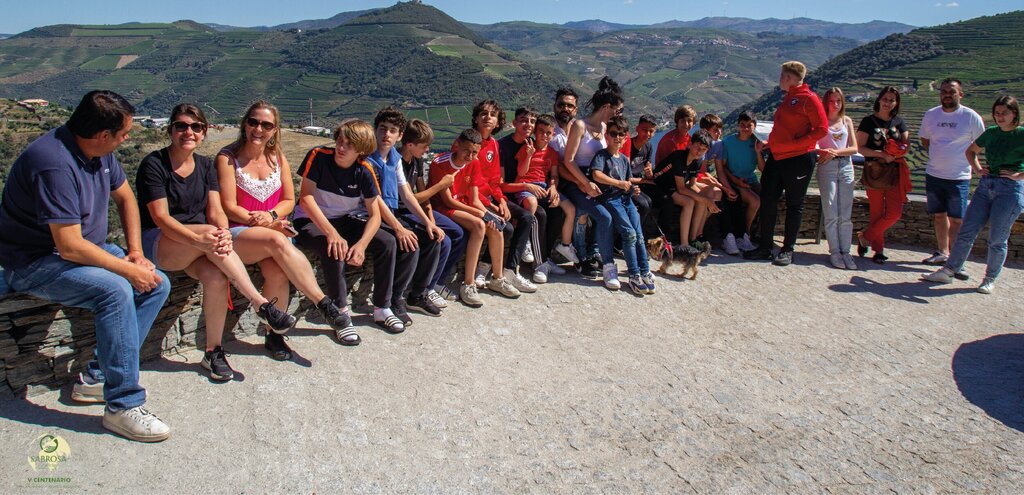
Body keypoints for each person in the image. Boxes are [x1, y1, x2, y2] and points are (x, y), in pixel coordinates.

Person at [0, 90, 172, 442]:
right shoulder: (53, 163)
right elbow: (68, 245)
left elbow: (126, 197)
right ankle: (122, 404)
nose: (127, 139)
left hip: (86, 248)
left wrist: (136, 253)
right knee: (115, 290)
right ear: (103, 135)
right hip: (34, 261)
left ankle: (97, 378)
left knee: (157, 283)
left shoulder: (99, 152)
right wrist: (126, 270)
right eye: (123, 133)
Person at [138, 104, 302, 380]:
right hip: (162, 243)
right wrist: (202, 238)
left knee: (216, 276)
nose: (188, 132)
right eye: (181, 126)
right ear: (170, 130)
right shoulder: (154, 164)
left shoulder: (205, 166)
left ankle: (212, 352)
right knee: (212, 234)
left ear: (204, 132)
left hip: (201, 244)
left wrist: (223, 231)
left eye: (196, 127)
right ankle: (261, 304)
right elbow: (161, 218)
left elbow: (216, 211)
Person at [215, 100, 350, 361]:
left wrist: (272, 216)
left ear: (274, 130)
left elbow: (289, 200)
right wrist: (265, 222)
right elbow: (229, 206)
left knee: (278, 273)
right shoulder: (227, 158)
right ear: (245, 124)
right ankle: (323, 303)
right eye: (253, 122)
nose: (259, 129)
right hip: (239, 233)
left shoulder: (277, 159)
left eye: (266, 125)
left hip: (273, 230)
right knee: (277, 241)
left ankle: (274, 335)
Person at [294, 120, 406, 340]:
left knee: (387, 242)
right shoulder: (318, 156)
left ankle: (382, 308)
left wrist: (361, 245)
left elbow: (375, 215)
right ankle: (340, 313)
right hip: (311, 219)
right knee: (333, 248)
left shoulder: (365, 171)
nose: (341, 147)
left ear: (361, 149)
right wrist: (331, 233)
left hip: (343, 219)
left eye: (349, 144)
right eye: (340, 141)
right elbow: (306, 198)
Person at [924, 95, 1024, 294]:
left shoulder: (1022, 134)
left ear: (1015, 114)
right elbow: (971, 151)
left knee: (997, 239)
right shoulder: (992, 132)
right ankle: (949, 270)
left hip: (1010, 190)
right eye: (997, 113)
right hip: (986, 186)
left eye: (1004, 113)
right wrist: (978, 169)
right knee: (967, 231)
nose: (1000, 116)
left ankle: (989, 279)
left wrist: (1019, 175)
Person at [743, 61, 828, 266]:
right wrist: (770, 143)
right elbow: (784, 129)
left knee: (794, 204)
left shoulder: (809, 98)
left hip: (799, 159)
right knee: (767, 199)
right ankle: (765, 246)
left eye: (782, 75)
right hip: (778, 156)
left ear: (788, 78)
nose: (779, 79)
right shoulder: (789, 97)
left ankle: (787, 249)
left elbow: (822, 129)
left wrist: (798, 144)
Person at [366, 107, 444, 322]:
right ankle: (395, 298)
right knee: (409, 243)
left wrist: (427, 222)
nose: (386, 134)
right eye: (383, 129)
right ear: (375, 130)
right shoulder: (367, 158)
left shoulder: (394, 158)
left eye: (392, 130)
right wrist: (399, 228)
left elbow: (407, 194)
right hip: (371, 215)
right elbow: (375, 199)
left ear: (400, 135)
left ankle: (417, 294)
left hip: (389, 213)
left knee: (432, 238)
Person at [428, 129, 520, 306]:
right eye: (466, 151)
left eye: (474, 152)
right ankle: (468, 284)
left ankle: (497, 278)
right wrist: (479, 213)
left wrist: (488, 214)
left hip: (463, 205)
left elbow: (475, 199)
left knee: (495, 226)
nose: (470, 156)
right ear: (457, 144)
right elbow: (448, 201)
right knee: (479, 225)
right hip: (443, 207)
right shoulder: (440, 163)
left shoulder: (474, 163)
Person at [467, 100, 538, 294]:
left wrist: (501, 201)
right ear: (476, 118)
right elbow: (468, 184)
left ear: (498, 122)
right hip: (474, 200)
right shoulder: (468, 142)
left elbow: (495, 180)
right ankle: (483, 269)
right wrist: (492, 205)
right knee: (505, 227)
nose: (488, 118)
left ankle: (510, 271)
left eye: (492, 115)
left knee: (527, 217)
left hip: (491, 197)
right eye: (483, 114)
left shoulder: (493, 145)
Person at [561, 76, 624, 288]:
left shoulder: (605, 128)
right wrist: (584, 183)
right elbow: (569, 160)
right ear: (606, 107)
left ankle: (595, 251)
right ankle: (595, 261)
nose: (619, 114)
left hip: (597, 179)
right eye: (617, 110)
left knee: (613, 212)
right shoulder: (580, 125)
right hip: (576, 179)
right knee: (602, 216)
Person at [398, 119, 465, 310]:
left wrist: (431, 218)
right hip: (402, 210)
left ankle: (437, 282)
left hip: (417, 209)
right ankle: (424, 289)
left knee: (458, 234)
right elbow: (410, 198)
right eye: (424, 146)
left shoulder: (417, 161)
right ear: (410, 145)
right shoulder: (398, 163)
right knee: (443, 241)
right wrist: (441, 185)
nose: (427, 150)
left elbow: (423, 194)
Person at [919, 78, 986, 265]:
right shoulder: (931, 115)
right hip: (934, 174)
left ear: (960, 94)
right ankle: (942, 252)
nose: (947, 95)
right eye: (944, 91)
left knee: (956, 219)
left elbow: (980, 143)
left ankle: (956, 261)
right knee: (939, 215)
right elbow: (925, 140)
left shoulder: (971, 117)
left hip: (959, 176)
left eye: (952, 92)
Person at [589, 116, 656, 295]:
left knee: (639, 235)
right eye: (613, 134)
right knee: (629, 234)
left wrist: (632, 189)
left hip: (626, 200)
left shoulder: (625, 160)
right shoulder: (602, 156)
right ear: (607, 135)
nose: (617, 138)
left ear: (626, 137)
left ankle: (644, 270)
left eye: (621, 134)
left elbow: (627, 180)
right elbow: (596, 175)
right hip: (611, 200)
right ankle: (634, 274)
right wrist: (620, 184)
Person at [511, 113, 578, 282]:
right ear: (535, 132)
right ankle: (526, 240)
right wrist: (528, 155)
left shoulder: (552, 153)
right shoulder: (527, 147)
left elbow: (554, 175)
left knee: (568, 208)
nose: (545, 136)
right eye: (541, 131)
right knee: (533, 205)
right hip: (526, 186)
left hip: (544, 187)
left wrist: (553, 188)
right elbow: (521, 173)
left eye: (548, 133)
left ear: (553, 134)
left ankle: (564, 245)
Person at [855, 86, 912, 264]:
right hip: (875, 171)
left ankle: (866, 237)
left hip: (894, 171)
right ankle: (878, 250)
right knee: (877, 211)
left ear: (896, 103)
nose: (888, 103)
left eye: (891, 100)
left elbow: (906, 145)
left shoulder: (899, 122)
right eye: (885, 99)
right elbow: (860, 148)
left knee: (894, 213)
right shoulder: (868, 122)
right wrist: (881, 154)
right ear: (879, 100)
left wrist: (896, 152)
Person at [815, 87, 860, 270]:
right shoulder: (820, 121)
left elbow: (854, 148)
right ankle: (835, 251)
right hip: (827, 167)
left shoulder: (846, 121)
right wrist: (824, 152)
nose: (835, 104)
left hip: (846, 165)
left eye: (838, 101)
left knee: (845, 212)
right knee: (831, 210)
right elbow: (814, 144)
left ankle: (846, 251)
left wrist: (835, 152)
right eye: (832, 101)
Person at [658, 130, 716, 249]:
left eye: (703, 149)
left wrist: (706, 200)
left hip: (675, 186)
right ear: (690, 144)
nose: (699, 151)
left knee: (701, 200)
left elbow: (692, 184)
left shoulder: (698, 161)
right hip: (662, 186)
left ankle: (693, 239)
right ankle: (684, 244)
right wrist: (705, 199)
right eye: (697, 147)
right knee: (689, 202)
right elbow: (681, 189)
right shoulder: (679, 158)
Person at [719, 111, 763, 252]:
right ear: (738, 125)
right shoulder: (728, 142)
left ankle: (755, 234)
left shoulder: (756, 142)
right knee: (755, 201)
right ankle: (744, 234)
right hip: (733, 181)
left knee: (770, 198)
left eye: (749, 125)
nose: (745, 128)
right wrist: (736, 181)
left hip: (750, 180)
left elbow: (762, 168)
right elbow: (723, 167)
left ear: (754, 126)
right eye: (742, 125)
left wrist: (758, 152)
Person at [628, 115, 663, 240]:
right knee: (644, 204)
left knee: (661, 197)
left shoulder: (648, 147)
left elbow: (648, 172)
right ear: (637, 128)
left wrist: (649, 174)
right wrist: (645, 180)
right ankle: (632, 236)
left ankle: (654, 235)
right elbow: (623, 176)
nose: (648, 134)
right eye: (644, 130)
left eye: (651, 131)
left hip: (639, 181)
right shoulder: (627, 146)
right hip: (627, 183)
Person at [549, 87, 579, 159]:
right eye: (561, 105)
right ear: (554, 107)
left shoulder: (580, 130)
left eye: (570, 106)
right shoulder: (546, 130)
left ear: (575, 110)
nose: (565, 109)